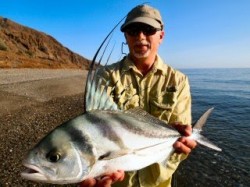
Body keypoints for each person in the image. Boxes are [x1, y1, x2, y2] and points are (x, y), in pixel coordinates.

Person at [80, 4, 197, 187]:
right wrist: (94, 170)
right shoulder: (106, 76)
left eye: (148, 29)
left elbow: (180, 135)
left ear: (161, 36)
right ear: (126, 37)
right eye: (133, 30)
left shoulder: (178, 81)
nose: (140, 36)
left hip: (159, 182)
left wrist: (182, 144)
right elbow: (95, 129)